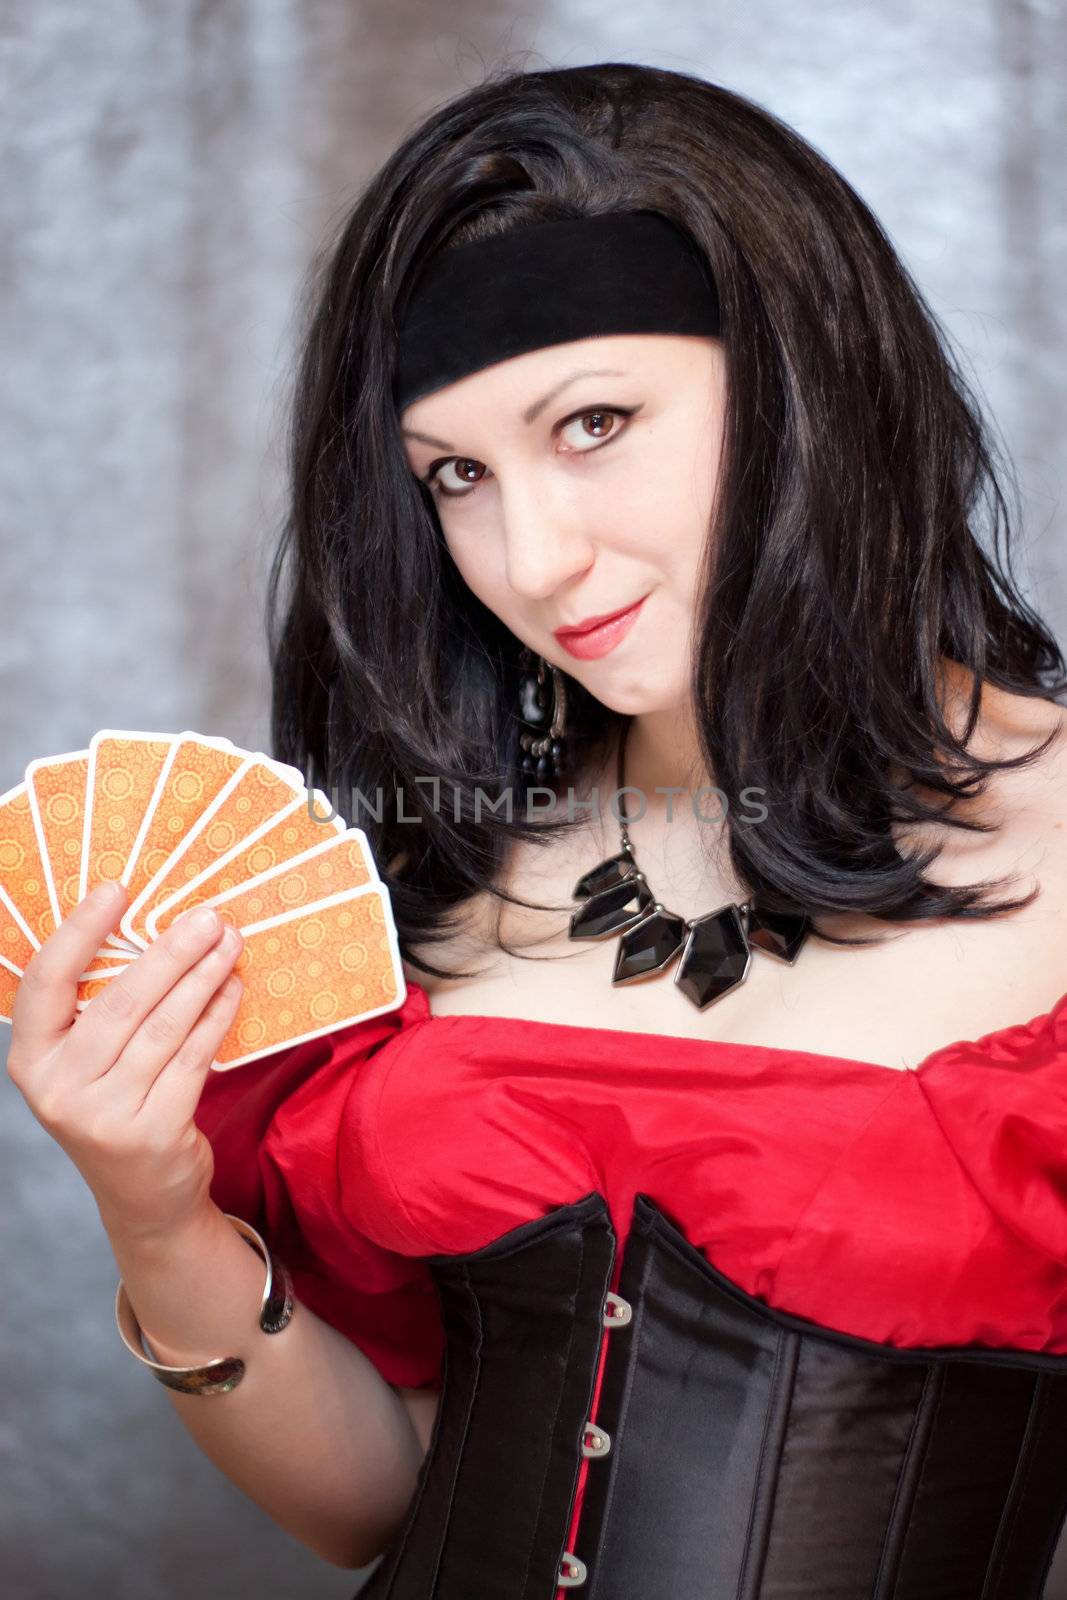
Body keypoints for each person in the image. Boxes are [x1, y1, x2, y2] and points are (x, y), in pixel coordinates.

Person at [9, 60, 1067, 1598]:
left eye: (592, 423)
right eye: (456, 473)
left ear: (804, 377)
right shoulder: (456, 873)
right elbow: (372, 1503)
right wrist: (157, 1217)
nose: (531, 553)